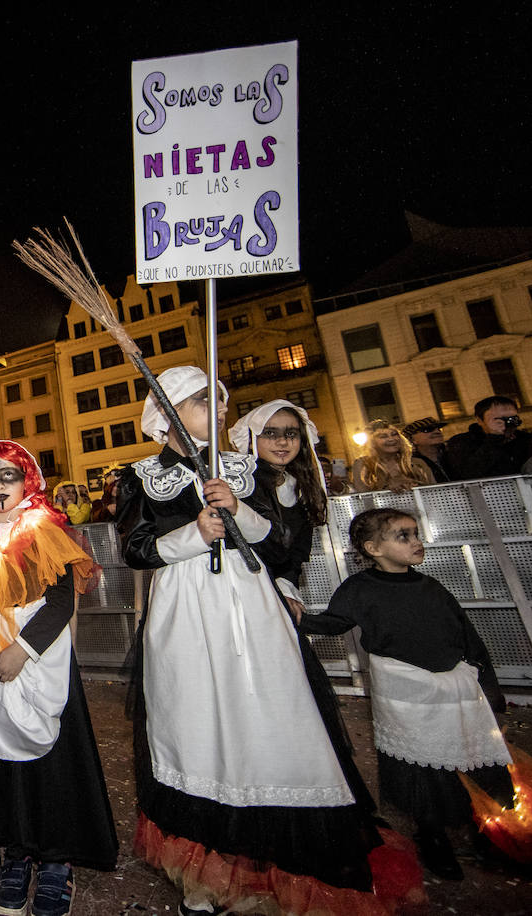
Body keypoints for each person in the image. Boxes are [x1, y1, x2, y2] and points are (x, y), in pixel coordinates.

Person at [121, 366, 413, 916]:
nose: (219, 408)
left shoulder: (247, 470)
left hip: (252, 603)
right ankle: (203, 875)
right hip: (186, 608)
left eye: (221, 400)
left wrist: (240, 512)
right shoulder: (140, 476)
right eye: (203, 400)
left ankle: (281, 857)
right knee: (196, 723)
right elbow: (134, 547)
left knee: (269, 715)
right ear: (170, 411)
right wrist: (192, 534)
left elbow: (282, 544)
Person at [302, 508, 532, 879]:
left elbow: (466, 636)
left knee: (478, 760)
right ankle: (432, 837)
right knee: (420, 769)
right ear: (373, 547)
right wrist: (293, 616)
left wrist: (488, 687)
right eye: (403, 536)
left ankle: (492, 837)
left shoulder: (431, 587)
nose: (415, 542)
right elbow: (332, 624)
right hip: (407, 692)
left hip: (455, 687)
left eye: (415, 533)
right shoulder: (359, 590)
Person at [0, 441, 117, 916]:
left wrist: (22, 651)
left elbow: (62, 601)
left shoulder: (44, 530)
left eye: (9, 476)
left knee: (52, 764)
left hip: (39, 661)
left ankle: (58, 860)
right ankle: (17, 855)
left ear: (28, 481)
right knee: (5, 766)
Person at [229, 400, 377, 810]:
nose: (281, 441)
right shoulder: (243, 484)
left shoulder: (302, 486)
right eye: (271, 433)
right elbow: (252, 547)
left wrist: (290, 591)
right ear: (252, 439)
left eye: (290, 433)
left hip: (278, 594)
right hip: (246, 594)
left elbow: (296, 557)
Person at [446, 395, 532, 480]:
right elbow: (469, 473)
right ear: (480, 420)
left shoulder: (525, 439)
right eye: (499, 419)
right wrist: (494, 439)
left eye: (512, 418)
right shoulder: (462, 442)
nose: (507, 423)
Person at [349, 420, 435, 493]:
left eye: (394, 434)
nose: (391, 439)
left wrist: (414, 484)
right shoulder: (363, 465)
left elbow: (434, 491)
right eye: (383, 436)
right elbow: (363, 497)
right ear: (372, 443)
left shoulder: (418, 463)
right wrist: (387, 488)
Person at [401, 416, 452, 482]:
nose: (437, 432)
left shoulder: (455, 454)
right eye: (427, 430)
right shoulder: (409, 465)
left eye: (439, 429)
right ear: (412, 439)